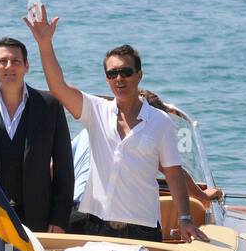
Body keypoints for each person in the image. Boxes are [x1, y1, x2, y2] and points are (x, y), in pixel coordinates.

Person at [24, 4, 207, 243]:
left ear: (139, 75)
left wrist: (185, 218)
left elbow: (173, 173)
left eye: (126, 72)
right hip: (94, 226)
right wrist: (44, 44)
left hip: (142, 230)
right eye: (112, 74)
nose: (119, 78)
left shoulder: (160, 121)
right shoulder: (95, 111)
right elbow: (58, 87)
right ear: (107, 79)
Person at [0, 36, 73, 233]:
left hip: (38, 217)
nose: (9, 66)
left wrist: (59, 218)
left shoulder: (49, 105)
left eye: (16, 61)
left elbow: (64, 167)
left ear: (26, 66)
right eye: (3, 61)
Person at [71, 90, 223, 210]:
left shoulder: (89, 131)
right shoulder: (142, 134)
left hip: (73, 207)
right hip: (99, 214)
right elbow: (174, 172)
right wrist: (202, 197)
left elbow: (55, 167)